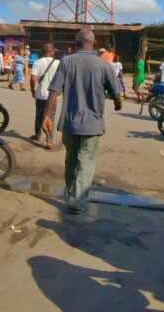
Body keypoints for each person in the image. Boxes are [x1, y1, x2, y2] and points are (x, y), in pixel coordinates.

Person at [44, 30, 122, 214]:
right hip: (93, 124)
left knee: (71, 160)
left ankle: (72, 193)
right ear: (94, 44)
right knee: (86, 161)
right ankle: (77, 200)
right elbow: (116, 93)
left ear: (76, 43)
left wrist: (47, 116)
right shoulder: (104, 65)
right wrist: (118, 103)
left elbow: (55, 90)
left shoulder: (66, 61)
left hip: (70, 123)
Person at [30, 43, 61, 149]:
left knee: (39, 115)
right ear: (51, 51)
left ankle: (37, 135)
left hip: (40, 94)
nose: (54, 52)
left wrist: (33, 90)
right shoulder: (58, 63)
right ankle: (49, 141)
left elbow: (33, 78)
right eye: (54, 51)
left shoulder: (37, 62)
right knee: (50, 116)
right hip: (52, 96)